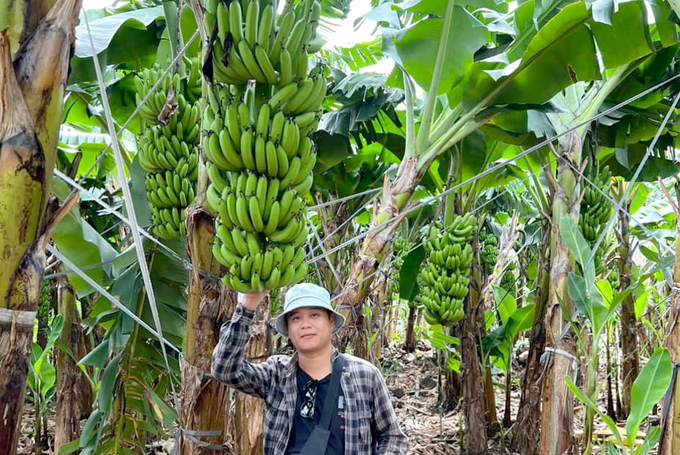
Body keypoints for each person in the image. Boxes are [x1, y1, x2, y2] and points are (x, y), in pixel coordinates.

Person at [211, 282, 408, 455]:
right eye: (296, 318)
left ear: (331, 321)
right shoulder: (276, 375)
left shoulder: (364, 376)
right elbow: (224, 369)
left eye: (314, 315)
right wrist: (247, 307)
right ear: (288, 329)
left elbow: (392, 437)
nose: (305, 324)